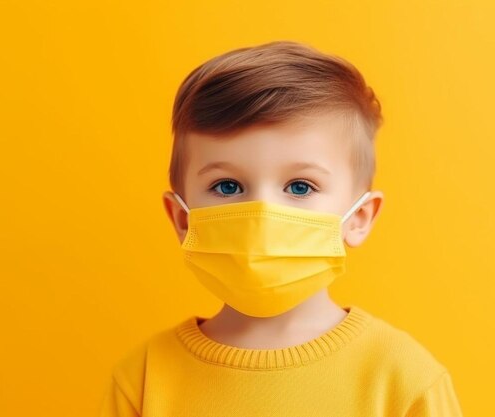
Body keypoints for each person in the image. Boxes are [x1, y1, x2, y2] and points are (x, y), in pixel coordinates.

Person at [99, 40, 464, 417]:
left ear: (358, 218)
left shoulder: (404, 381)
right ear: (182, 219)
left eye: (300, 187)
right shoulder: (142, 380)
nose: (262, 214)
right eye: (228, 186)